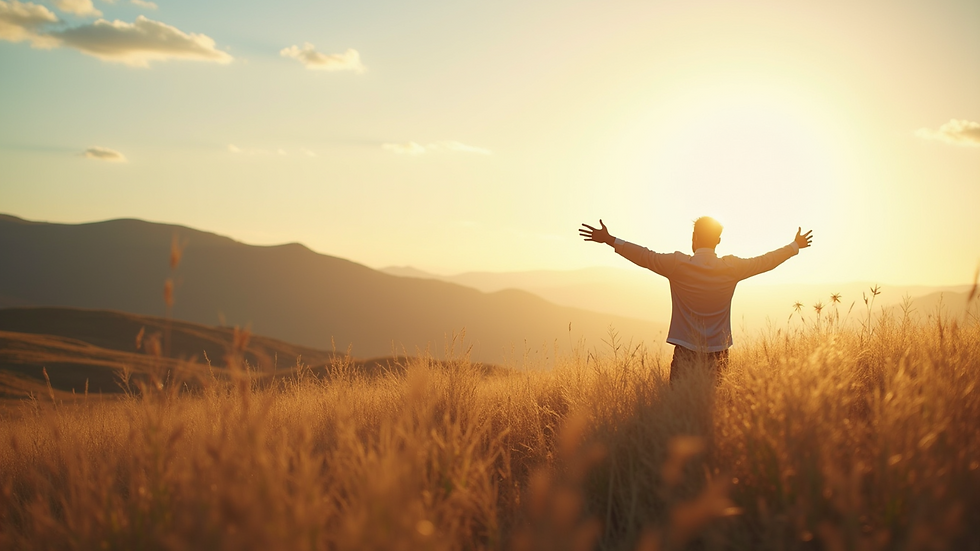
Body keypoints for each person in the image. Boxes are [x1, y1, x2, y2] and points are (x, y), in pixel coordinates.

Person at [579, 217, 812, 382]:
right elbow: (766, 261)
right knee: (713, 412)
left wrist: (610, 239)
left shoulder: (677, 265)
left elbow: (644, 256)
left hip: (686, 353)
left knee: (680, 413)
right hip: (719, 355)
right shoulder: (732, 268)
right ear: (718, 241)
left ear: (695, 237)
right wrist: (794, 246)